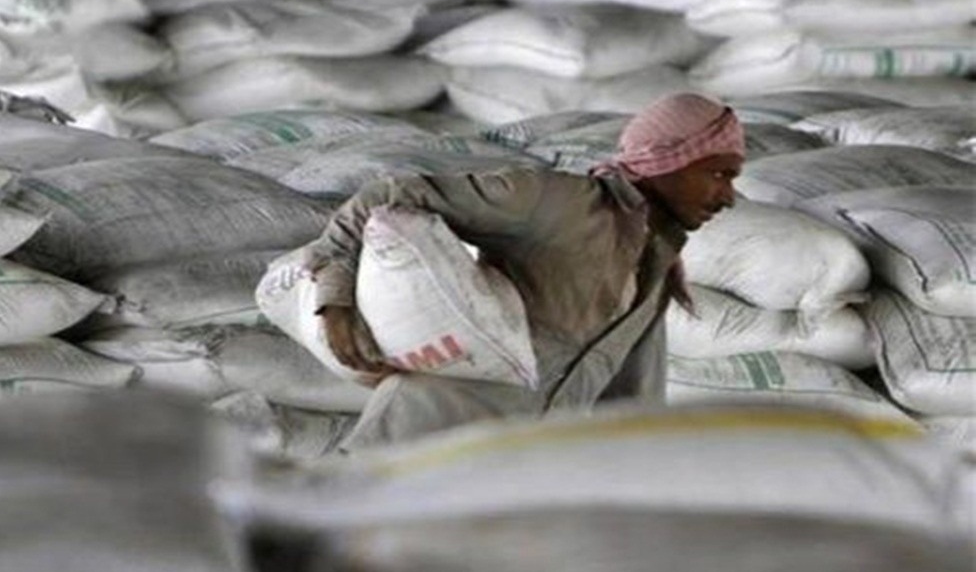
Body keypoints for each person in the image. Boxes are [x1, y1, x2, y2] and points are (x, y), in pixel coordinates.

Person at [305, 92, 746, 451]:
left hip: (509, 469)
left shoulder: (658, 267)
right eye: (718, 174)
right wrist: (334, 298)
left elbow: (632, 405)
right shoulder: (559, 202)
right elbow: (387, 196)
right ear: (667, 159)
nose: (728, 197)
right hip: (416, 442)